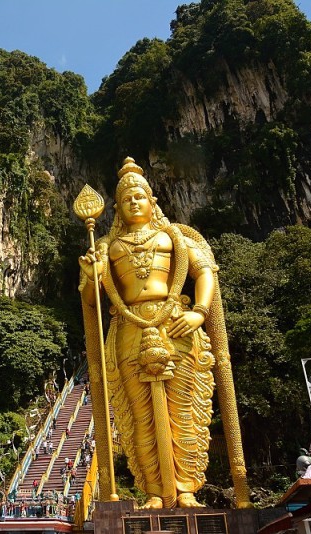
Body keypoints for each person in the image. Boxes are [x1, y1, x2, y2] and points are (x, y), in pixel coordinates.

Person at [78, 157, 250, 509]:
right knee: (139, 416)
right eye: (126, 199)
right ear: (117, 208)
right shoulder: (106, 247)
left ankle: (186, 488)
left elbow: (205, 274)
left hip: (176, 323)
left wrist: (199, 312)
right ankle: (154, 491)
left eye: (139, 195)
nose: (133, 202)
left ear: (152, 200)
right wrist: (92, 274)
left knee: (184, 408)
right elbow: (91, 300)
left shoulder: (174, 236)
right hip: (127, 328)